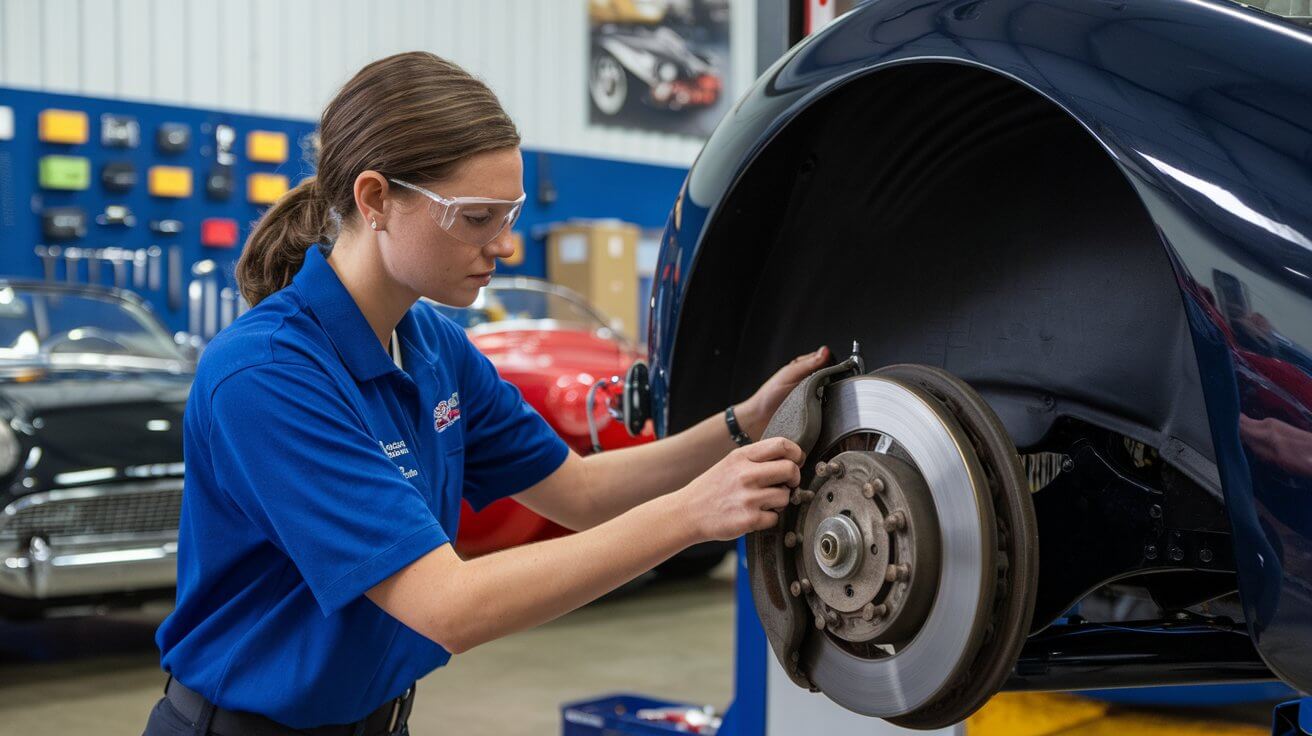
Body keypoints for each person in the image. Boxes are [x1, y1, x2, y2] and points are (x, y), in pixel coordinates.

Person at [142, 51, 828, 736]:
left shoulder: (432, 345)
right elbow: (448, 605)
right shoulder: (266, 375)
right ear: (375, 199)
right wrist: (691, 515)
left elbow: (580, 493)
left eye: (511, 214)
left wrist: (742, 424)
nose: (504, 245)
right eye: (476, 218)